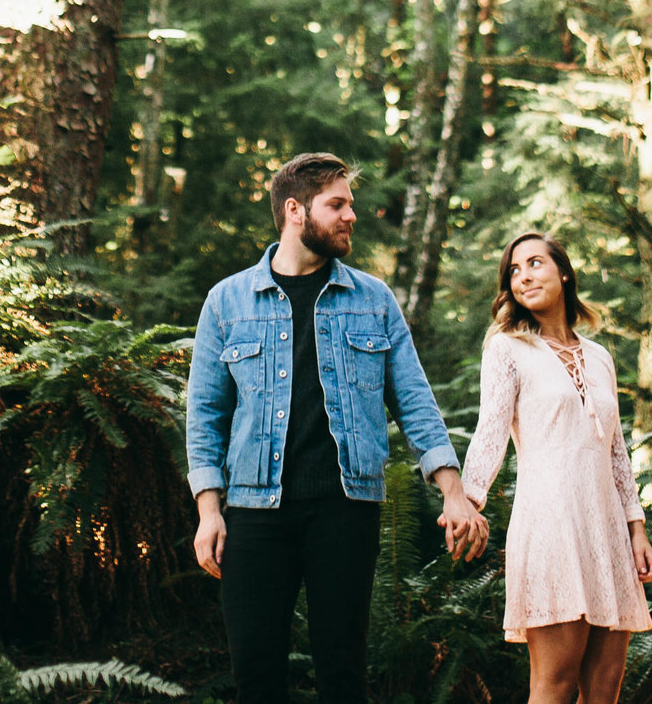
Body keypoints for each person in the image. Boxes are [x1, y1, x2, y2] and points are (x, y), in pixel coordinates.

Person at [185, 153, 489, 704]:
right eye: (338, 204)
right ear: (295, 210)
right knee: (256, 676)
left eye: (351, 204)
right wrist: (210, 511)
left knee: (343, 674)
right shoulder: (226, 301)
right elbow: (204, 414)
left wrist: (454, 491)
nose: (352, 215)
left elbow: (414, 399)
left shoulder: (372, 300)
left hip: (344, 509)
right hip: (254, 513)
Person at [461, 231, 652, 704]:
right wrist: (466, 501)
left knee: (605, 687)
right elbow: (489, 433)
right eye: (514, 270)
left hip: (607, 529)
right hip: (550, 524)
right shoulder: (508, 349)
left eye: (535, 263)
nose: (523, 275)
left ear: (564, 273)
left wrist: (637, 528)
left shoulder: (600, 356)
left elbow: (616, 452)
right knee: (554, 682)